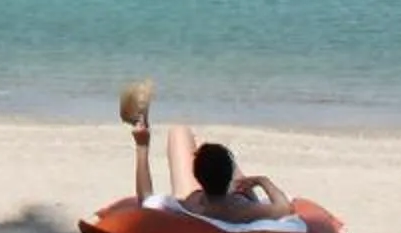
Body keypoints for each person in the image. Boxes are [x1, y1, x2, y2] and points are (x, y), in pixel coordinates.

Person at [123, 81, 294, 225]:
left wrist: (142, 146)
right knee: (215, 155)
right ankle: (218, 160)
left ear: (196, 176)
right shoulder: (245, 211)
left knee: (179, 131)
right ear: (229, 178)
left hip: (203, 203)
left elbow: (146, 200)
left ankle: (141, 124)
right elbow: (285, 208)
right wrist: (262, 181)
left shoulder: (189, 205)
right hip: (230, 200)